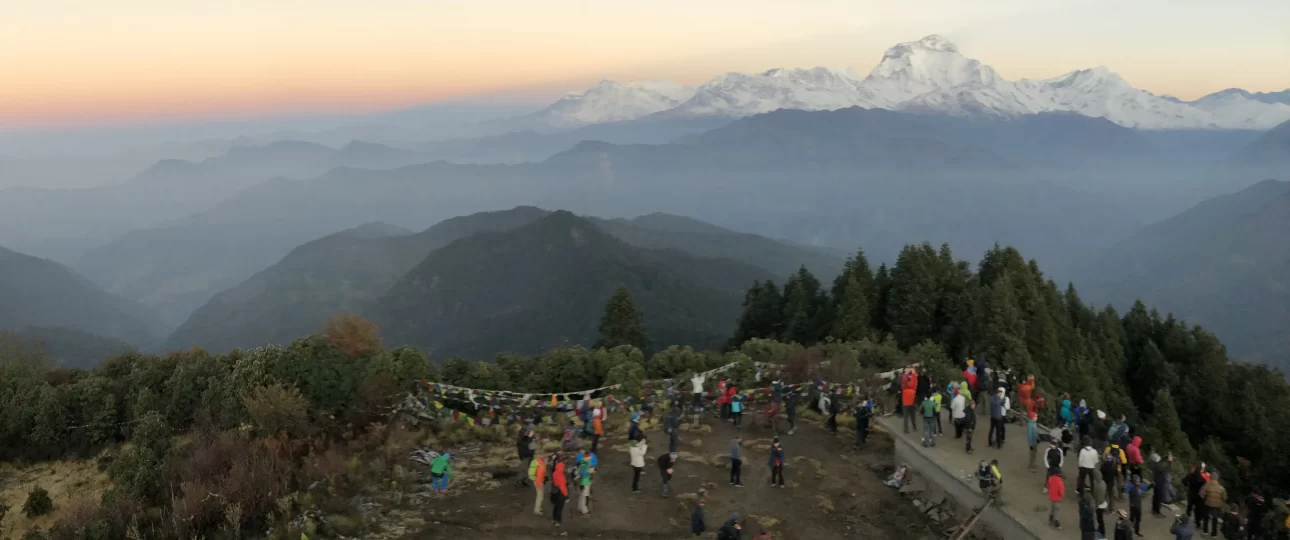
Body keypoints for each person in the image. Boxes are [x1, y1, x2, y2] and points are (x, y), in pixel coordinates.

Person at [1200, 471, 1228, 537]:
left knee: (1206, 517)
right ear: (1217, 478)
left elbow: (1201, 493)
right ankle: (1214, 534)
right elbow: (1225, 497)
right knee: (1215, 519)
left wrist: (1204, 499)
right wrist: (1221, 502)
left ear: (1211, 477)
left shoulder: (1207, 485)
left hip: (1207, 504)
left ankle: (1205, 531)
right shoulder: (1221, 488)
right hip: (1217, 506)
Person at [1151, 452, 1175, 516]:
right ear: (1168, 458)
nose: (1172, 458)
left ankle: (1154, 509)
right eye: (1171, 457)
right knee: (1159, 498)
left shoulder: (1160, 463)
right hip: (1160, 483)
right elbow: (1166, 473)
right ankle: (1157, 512)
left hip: (1157, 481)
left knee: (1155, 496)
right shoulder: (1165, 464)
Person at [551, 457, 569, 526]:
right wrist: (566, 495)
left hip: (555, 491)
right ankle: (557, 521)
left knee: (556, 506)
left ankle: (554, 519)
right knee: (560, 508)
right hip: (560, 493)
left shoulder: (555, 472)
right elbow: (562, 487)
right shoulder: (561, 475)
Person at [577, 450, 593, 515]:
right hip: (584, 482)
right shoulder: (583, 463)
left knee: (582, 496)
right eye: (590, 456)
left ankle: (580, 507)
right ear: (588, 456)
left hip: (586, 481)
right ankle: (584, 510)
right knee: (584, 496)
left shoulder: (585, 461)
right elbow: (583, 474)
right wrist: (589, 471)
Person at [902, 368, 918, 433]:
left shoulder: (904, 384)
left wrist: (906, 374)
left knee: (905, 416)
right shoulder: (912, 386)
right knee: (912, 415)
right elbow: (915, 384)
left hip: (905, 400)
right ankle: (914, 426)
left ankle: (906, 429)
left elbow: (903, 383)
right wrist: (913, 374)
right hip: (911, 399)